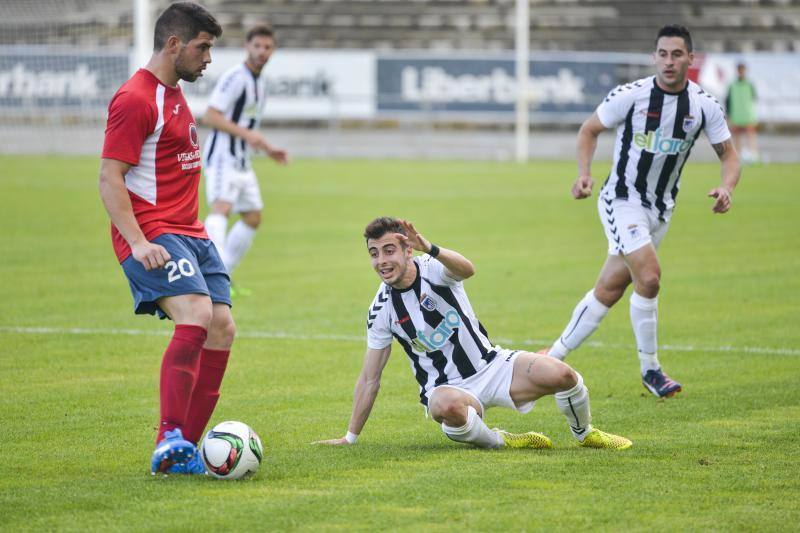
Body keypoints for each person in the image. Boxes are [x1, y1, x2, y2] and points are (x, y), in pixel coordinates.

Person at [541, 25, 741, 398]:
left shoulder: (702, 105)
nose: (669, 61)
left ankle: (552, 357)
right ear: (654, 57)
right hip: (622, 200)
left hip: (661, 209)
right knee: (648, 277)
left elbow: (728, 154)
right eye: (662, 54)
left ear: (690, 59)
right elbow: (589, 130)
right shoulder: (631, 96)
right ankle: (651, 369)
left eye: (676, 54)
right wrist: (584, 175)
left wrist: (727, 187)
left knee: (611, 288)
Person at [314, 217, 632, 450]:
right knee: (444, 405)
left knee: (563, 374)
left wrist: (431, 247)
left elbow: (468, 269)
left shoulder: (434, 269)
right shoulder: (382, 309)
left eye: (388, 251)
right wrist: (349, 437)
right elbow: (370, 378)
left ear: (407, 250)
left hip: (493, 366)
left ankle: (585, 434)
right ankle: (499, 440)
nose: (382, 261)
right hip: (448, 391)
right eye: (374, 253)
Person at [99, 2, 232, 475]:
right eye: (203, 47)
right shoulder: (136, 98)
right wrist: (137, 242)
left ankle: (183, 453)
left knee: (222, 328)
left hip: (192, 234)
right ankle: (169, 437)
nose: (208, 58)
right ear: (174, 44)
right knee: (196, 313)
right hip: (153, 232)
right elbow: (109, 178)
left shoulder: (174, 94)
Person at [201, 24, 288, 297]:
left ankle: (222, 275)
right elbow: (210, 116)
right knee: (221, 210)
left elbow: (247, 126)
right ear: (247, 47)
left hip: (242, 161)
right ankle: (209, 278)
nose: (262, 52)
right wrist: (248, 135)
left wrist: (269, 149)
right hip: (222, 157)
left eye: (267, 47)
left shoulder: (260, 83)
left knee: (253, 217)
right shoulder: (235, 77)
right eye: (257, 46)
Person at [726, 62, 759, 164]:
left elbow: (754, 97)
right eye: (739, 70)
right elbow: (728, 100)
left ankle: (753, 154)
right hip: (736, 114)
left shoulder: (750, 84)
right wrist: (729, 115)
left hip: (747, 114)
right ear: (737, 71)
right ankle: (738, 155)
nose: (741, 72)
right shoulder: (732, 85)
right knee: (737, 135)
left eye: (743, 70)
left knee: (751, 133)